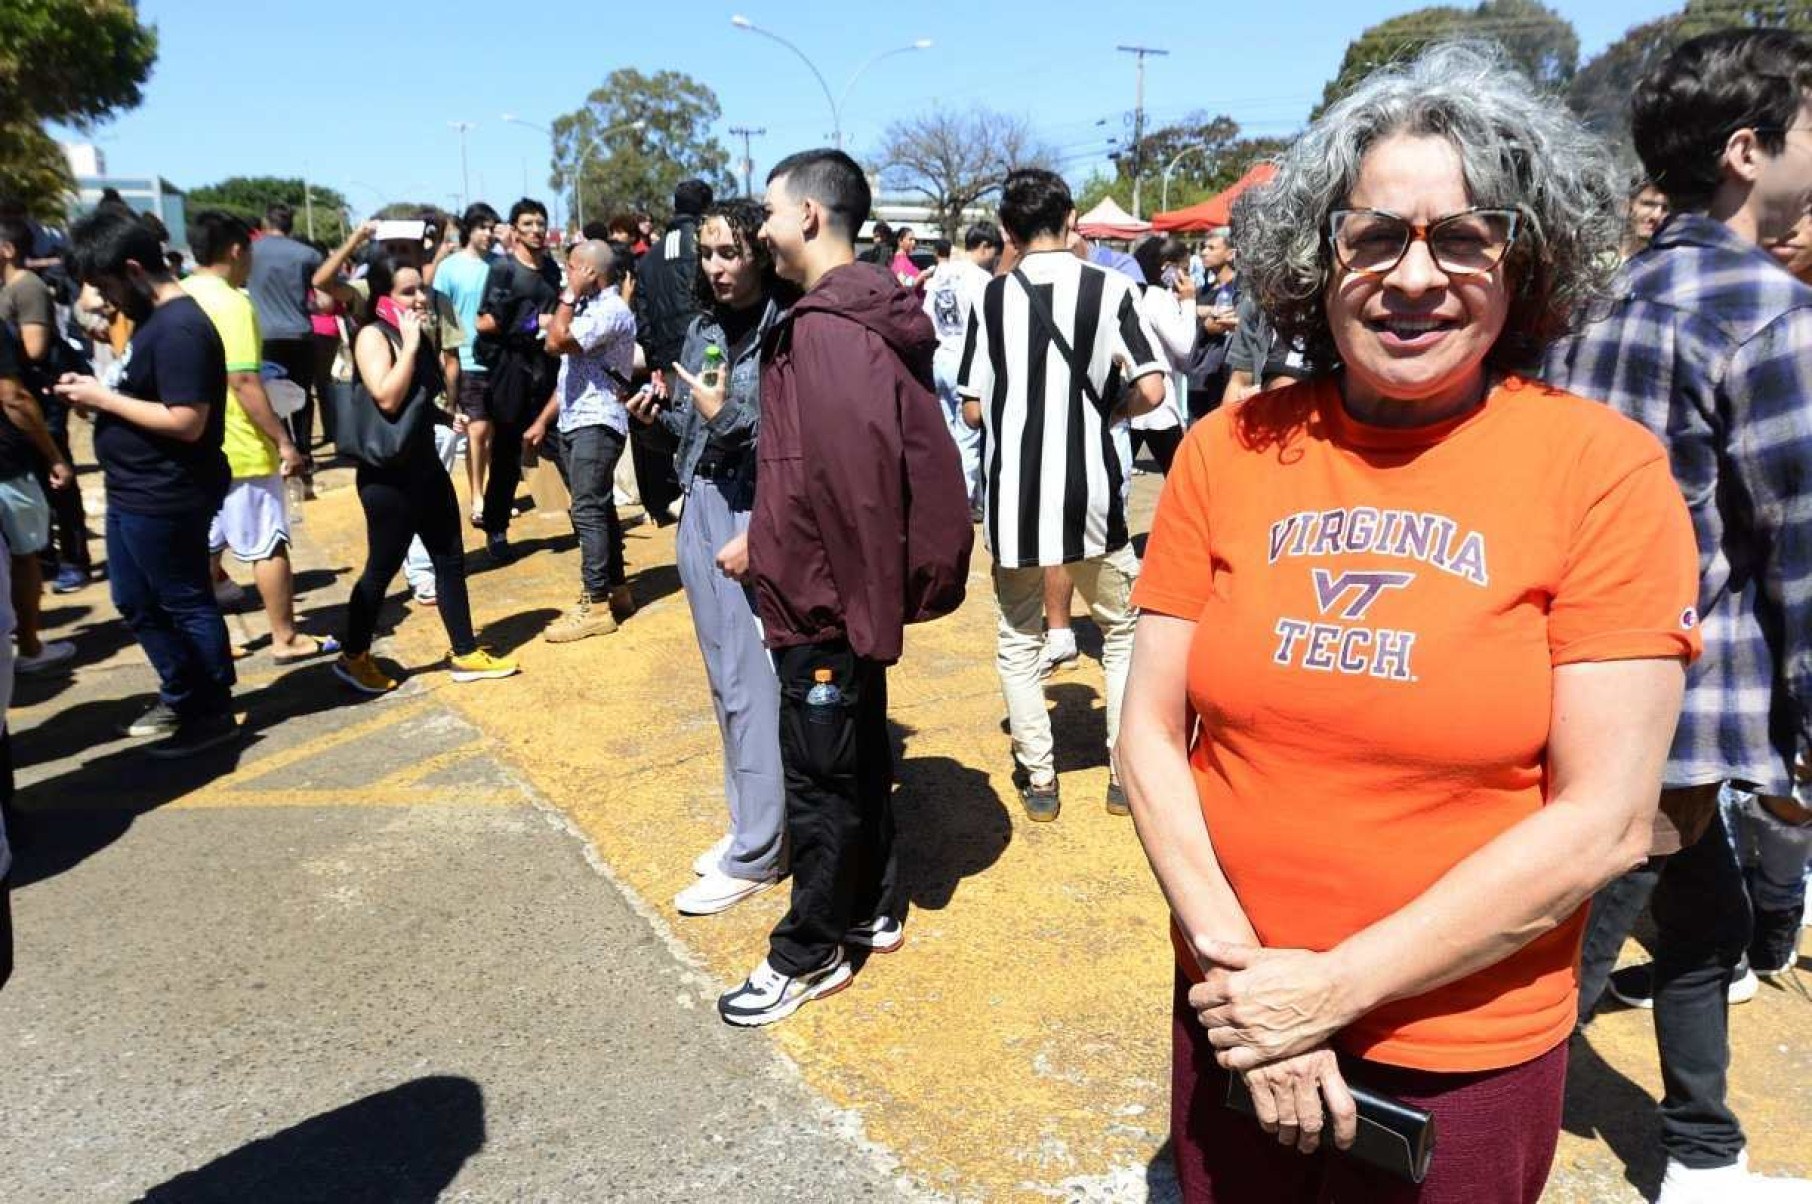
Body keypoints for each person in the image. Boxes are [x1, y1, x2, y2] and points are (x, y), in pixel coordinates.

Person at [1120, 43, 1704, 1204]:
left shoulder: (1605, 474)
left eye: (1464, 236)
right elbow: (1148, 733)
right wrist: (1251, 986)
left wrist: (1328, 992)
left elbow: (1605, 821)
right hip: (1233, 1016)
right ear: (1317, 257)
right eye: (1374, 235)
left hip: (1458, 1056)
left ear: (1524, 257)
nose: (1415, 275)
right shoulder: (1228, 450)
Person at [1544, 30, 1812, 1203]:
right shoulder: (1766, 313)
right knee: (1573, 941)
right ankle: (1456, 1125)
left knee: (1697, 920)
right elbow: (1802, 553)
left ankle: (1704, 1153)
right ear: (1748, 152)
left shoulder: (1604, 293)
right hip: (1683, 702)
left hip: (1576, 675)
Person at [716, 148, 971, 1026]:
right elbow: (813, 471)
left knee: (822, 776)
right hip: (833, 593)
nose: (762, 228)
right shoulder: (845, 316)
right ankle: (873, 904)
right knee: (858, 755)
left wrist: (859, 617)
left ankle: (809, 950)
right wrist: (770, 532)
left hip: (825, 604)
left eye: (770, 211)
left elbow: (856, 485)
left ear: (811, 218)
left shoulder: (828, 330)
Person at [956, 169, 1166, 822]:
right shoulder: (1112, 289)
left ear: (1008, 232)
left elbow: (969, 412)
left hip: (1015, 505)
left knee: (1018, 642)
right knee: (1121, 633)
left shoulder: (991, 301)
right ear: (1072, 219)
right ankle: (1122, 777)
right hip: (1096, 500)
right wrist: (1111, 411)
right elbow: (1155, 391)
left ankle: (1041, 781)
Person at [628, 197, 789, 916]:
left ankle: (759, 851)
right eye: (708, 254)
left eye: (730, 252)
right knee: (725, 685)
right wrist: (659, 418)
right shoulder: (700, 329)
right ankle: (748, 829)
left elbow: (789, 439)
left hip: (751, 515)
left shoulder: (785, 331)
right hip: (699, 502)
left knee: (753, 685)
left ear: (760, 252)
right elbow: (695, 425)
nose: (717, 267)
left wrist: (728, 420)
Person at [57, 207, 242, 758]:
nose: (105, 299)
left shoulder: (181, 327)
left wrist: (102, 399)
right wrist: (99, 397)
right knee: (135, 599)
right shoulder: (153, 322)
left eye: (108, 284)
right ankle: (183, 692)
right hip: (135, 489)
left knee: (183, 600)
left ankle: (211, 709)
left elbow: (188, 421)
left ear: (135, 269)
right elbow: (148, 396)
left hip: (167, 492)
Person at [332, 252, 517, 694]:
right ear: (382, 296)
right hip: (388, 476)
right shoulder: (375, 337)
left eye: (421, 288)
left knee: (450, 559)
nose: (420, 297)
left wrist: (443, 416)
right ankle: (353, 654)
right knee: (382, 567)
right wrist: (412, 346)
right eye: (407, 290)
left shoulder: (416, 330)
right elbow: (387, 398)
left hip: (423, 465)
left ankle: (465, 651)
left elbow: (422, 400)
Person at [181, 210, 335, 665]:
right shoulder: (233, 304)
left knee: (203, 544)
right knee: (268, 542)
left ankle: (211, 635)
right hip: (241, 445)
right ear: (235, 250)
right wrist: (284, 442)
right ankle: (285, 636)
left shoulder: (181, 296)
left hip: (195, 444)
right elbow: (244, 381)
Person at [529, 240, 637, 642]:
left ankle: (594, 603)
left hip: (597, 421)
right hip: (578, 419)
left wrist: (569, 296)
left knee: (587, 509)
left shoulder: (609, 310)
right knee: (600, 508)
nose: (565, 274)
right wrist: (543, 421)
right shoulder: (593, 309)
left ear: (590, 272)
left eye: (571, 267)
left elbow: (555, 342)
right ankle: (617, 590)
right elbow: (565, 367)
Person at [0, 213, 91, 595]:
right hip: (20, 403)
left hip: (38, 400)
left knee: (58, 481)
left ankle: (74, 558)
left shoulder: (27, 288)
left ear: (7, 250)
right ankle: (47, 555)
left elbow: (35, 348)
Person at [474, 199, 561, 562]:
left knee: (565, 442)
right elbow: (485, 322)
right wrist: (531, 323)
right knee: (507, 454)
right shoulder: (504, 270)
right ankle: (496, 527)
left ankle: (591, 523)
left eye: (541, 223)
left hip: (549, 366)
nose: (537, 229)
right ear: (514, 230)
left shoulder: (553, 269)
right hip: (511, 369)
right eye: (528, 223)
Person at [632, 180, 714, 526]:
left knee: (679, 426)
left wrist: (655, 360)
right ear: (706, 208)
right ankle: (698, 498)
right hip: (709, 350)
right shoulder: (708, 245)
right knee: (707, 426)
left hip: (668, 358)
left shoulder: (650, 257)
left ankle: (675, 498)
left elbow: (643, 313)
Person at [0, 321, 72, 673]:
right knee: (24, 555)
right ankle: (28, 645)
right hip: (7, 468)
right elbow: (13, 396)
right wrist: (53, 454)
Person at [921, 222, 1001, 516]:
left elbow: (925, 316)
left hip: (939, 357)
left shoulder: (940, 273)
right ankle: (962, 501)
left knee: (946, 436)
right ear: (985, 247)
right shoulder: (980, 279)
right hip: (966, 363)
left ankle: (951, 496)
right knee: (968, 439)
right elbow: (988, 324)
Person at [433, 203, 501, 527]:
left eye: (492, 227)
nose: (488, 233)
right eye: (482, 227)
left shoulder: (501, 265)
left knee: (494, 433)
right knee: (478, 430)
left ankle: (492, 491)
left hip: (500, 362)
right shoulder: (448, 269)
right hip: (466, 358)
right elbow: (443, 321)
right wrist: (448, 365)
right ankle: (477, 497)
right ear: (469, 230)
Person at [247, 204, 326, 470]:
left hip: (265, 335)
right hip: (300, 333)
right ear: (291, 225)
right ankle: (305, 452)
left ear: (265, 222)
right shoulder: (307, 254)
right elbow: (323, 299)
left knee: (272, 395)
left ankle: (284, 448)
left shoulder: (250, 252)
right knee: (302, 396)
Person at [1127, 234, 1198, 474]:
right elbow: (1184, 347)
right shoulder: (1159, 297)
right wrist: (1189, 302)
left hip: (1131, 396)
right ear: (1167, 267)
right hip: (1159, 405)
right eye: (1184, 270)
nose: (1187, 277)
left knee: (1118, 476)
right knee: (1182, 475)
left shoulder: (1135, 292)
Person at [1187, 227, 1241, 421]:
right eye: (1203, 247)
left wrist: (1198, 312)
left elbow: (1218, 323)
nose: (1204, 252)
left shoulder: (1239, 289)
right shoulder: (1202, 290)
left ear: (1230, 254)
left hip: (1221, 373)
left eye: (1211, 248)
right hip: (1199, 371)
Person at [1621, 179, 1670, 261]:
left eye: (1664, 209)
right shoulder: (1596, 258)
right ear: (1626, 206)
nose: (1656, 215)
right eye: (1649, 204)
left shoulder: (1668, 264)